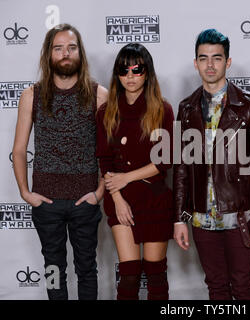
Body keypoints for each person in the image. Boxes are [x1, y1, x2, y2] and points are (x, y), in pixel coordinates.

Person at [173, 29, 250, 300]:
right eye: (203, 58)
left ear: (227, 62)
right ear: (195, 63)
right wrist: (179, 218)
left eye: (216, 58)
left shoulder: (249, 106)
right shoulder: (186, 108)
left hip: (240, 214)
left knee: (243, 286)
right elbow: (181, 169)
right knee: (216, 287)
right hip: (200, 216)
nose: (210, 65)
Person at [12, 23, 108, 300]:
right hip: (47, 203)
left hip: (84, 201)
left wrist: (99, 192)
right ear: (48, 54)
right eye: (58, 48)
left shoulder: (98, 94)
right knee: (53, 269)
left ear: (80, 53)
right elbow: (19, 149)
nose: (65, 53)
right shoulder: (32, 95)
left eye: (71, 47)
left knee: (87, 269)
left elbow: (108, 152)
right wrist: (25, 193)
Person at [96, 43, 174, 300]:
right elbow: (105, 162)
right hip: (121, 199)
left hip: (154, 199)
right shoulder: (106, 113)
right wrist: (117, 199)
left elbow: (164, 162)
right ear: (117, 74)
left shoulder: (162, 109)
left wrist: (125, 178)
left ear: (147, 72)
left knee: (155, 273)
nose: (130, 76)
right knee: (128, 274)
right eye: (124, 69)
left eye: (136, 69)